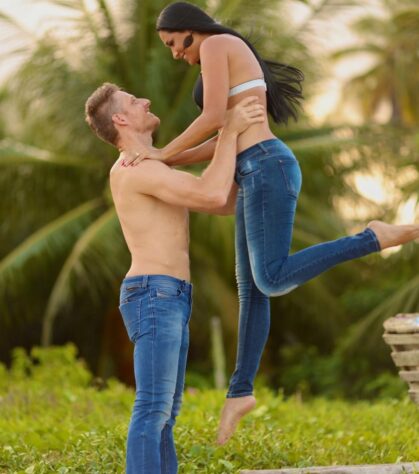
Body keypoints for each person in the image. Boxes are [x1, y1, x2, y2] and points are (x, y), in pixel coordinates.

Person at [124, 1, 419, 446]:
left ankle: (372, 237)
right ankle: (240, 392)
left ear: (188, 30)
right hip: (250, 171)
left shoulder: (220, 43)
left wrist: (161, 155)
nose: (173, 54)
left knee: (272, 277)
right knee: (253, 291)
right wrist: (167, 161)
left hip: (266, 165)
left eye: (172, 43)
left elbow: (213, 119)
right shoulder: (215, 58)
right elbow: (226, 132)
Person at [84, 82, 265, 473]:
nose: (145, 100)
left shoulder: (153, 166)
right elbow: (211, 195)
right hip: (154, 293)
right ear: (120, 119)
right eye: (134, 101)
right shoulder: (135, 170)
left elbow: (226, 201)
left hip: (170, 294)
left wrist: (252, 153)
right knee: (153, 407)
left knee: (166, 410)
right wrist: (229, 130)